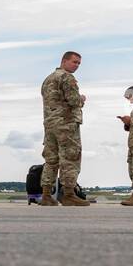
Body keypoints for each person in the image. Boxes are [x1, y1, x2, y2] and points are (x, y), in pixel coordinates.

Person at [39, 52, 88, 206]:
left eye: (79, 63)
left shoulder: (48, 79)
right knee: (70, 158)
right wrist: (81, 99)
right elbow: (73, 101)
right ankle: (68, 193)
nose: (77, 65)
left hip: (50, 124)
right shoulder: (67, 77)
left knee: (51, 160)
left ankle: (46, 195)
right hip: (66, 124)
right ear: (64, 61)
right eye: (74, 62)